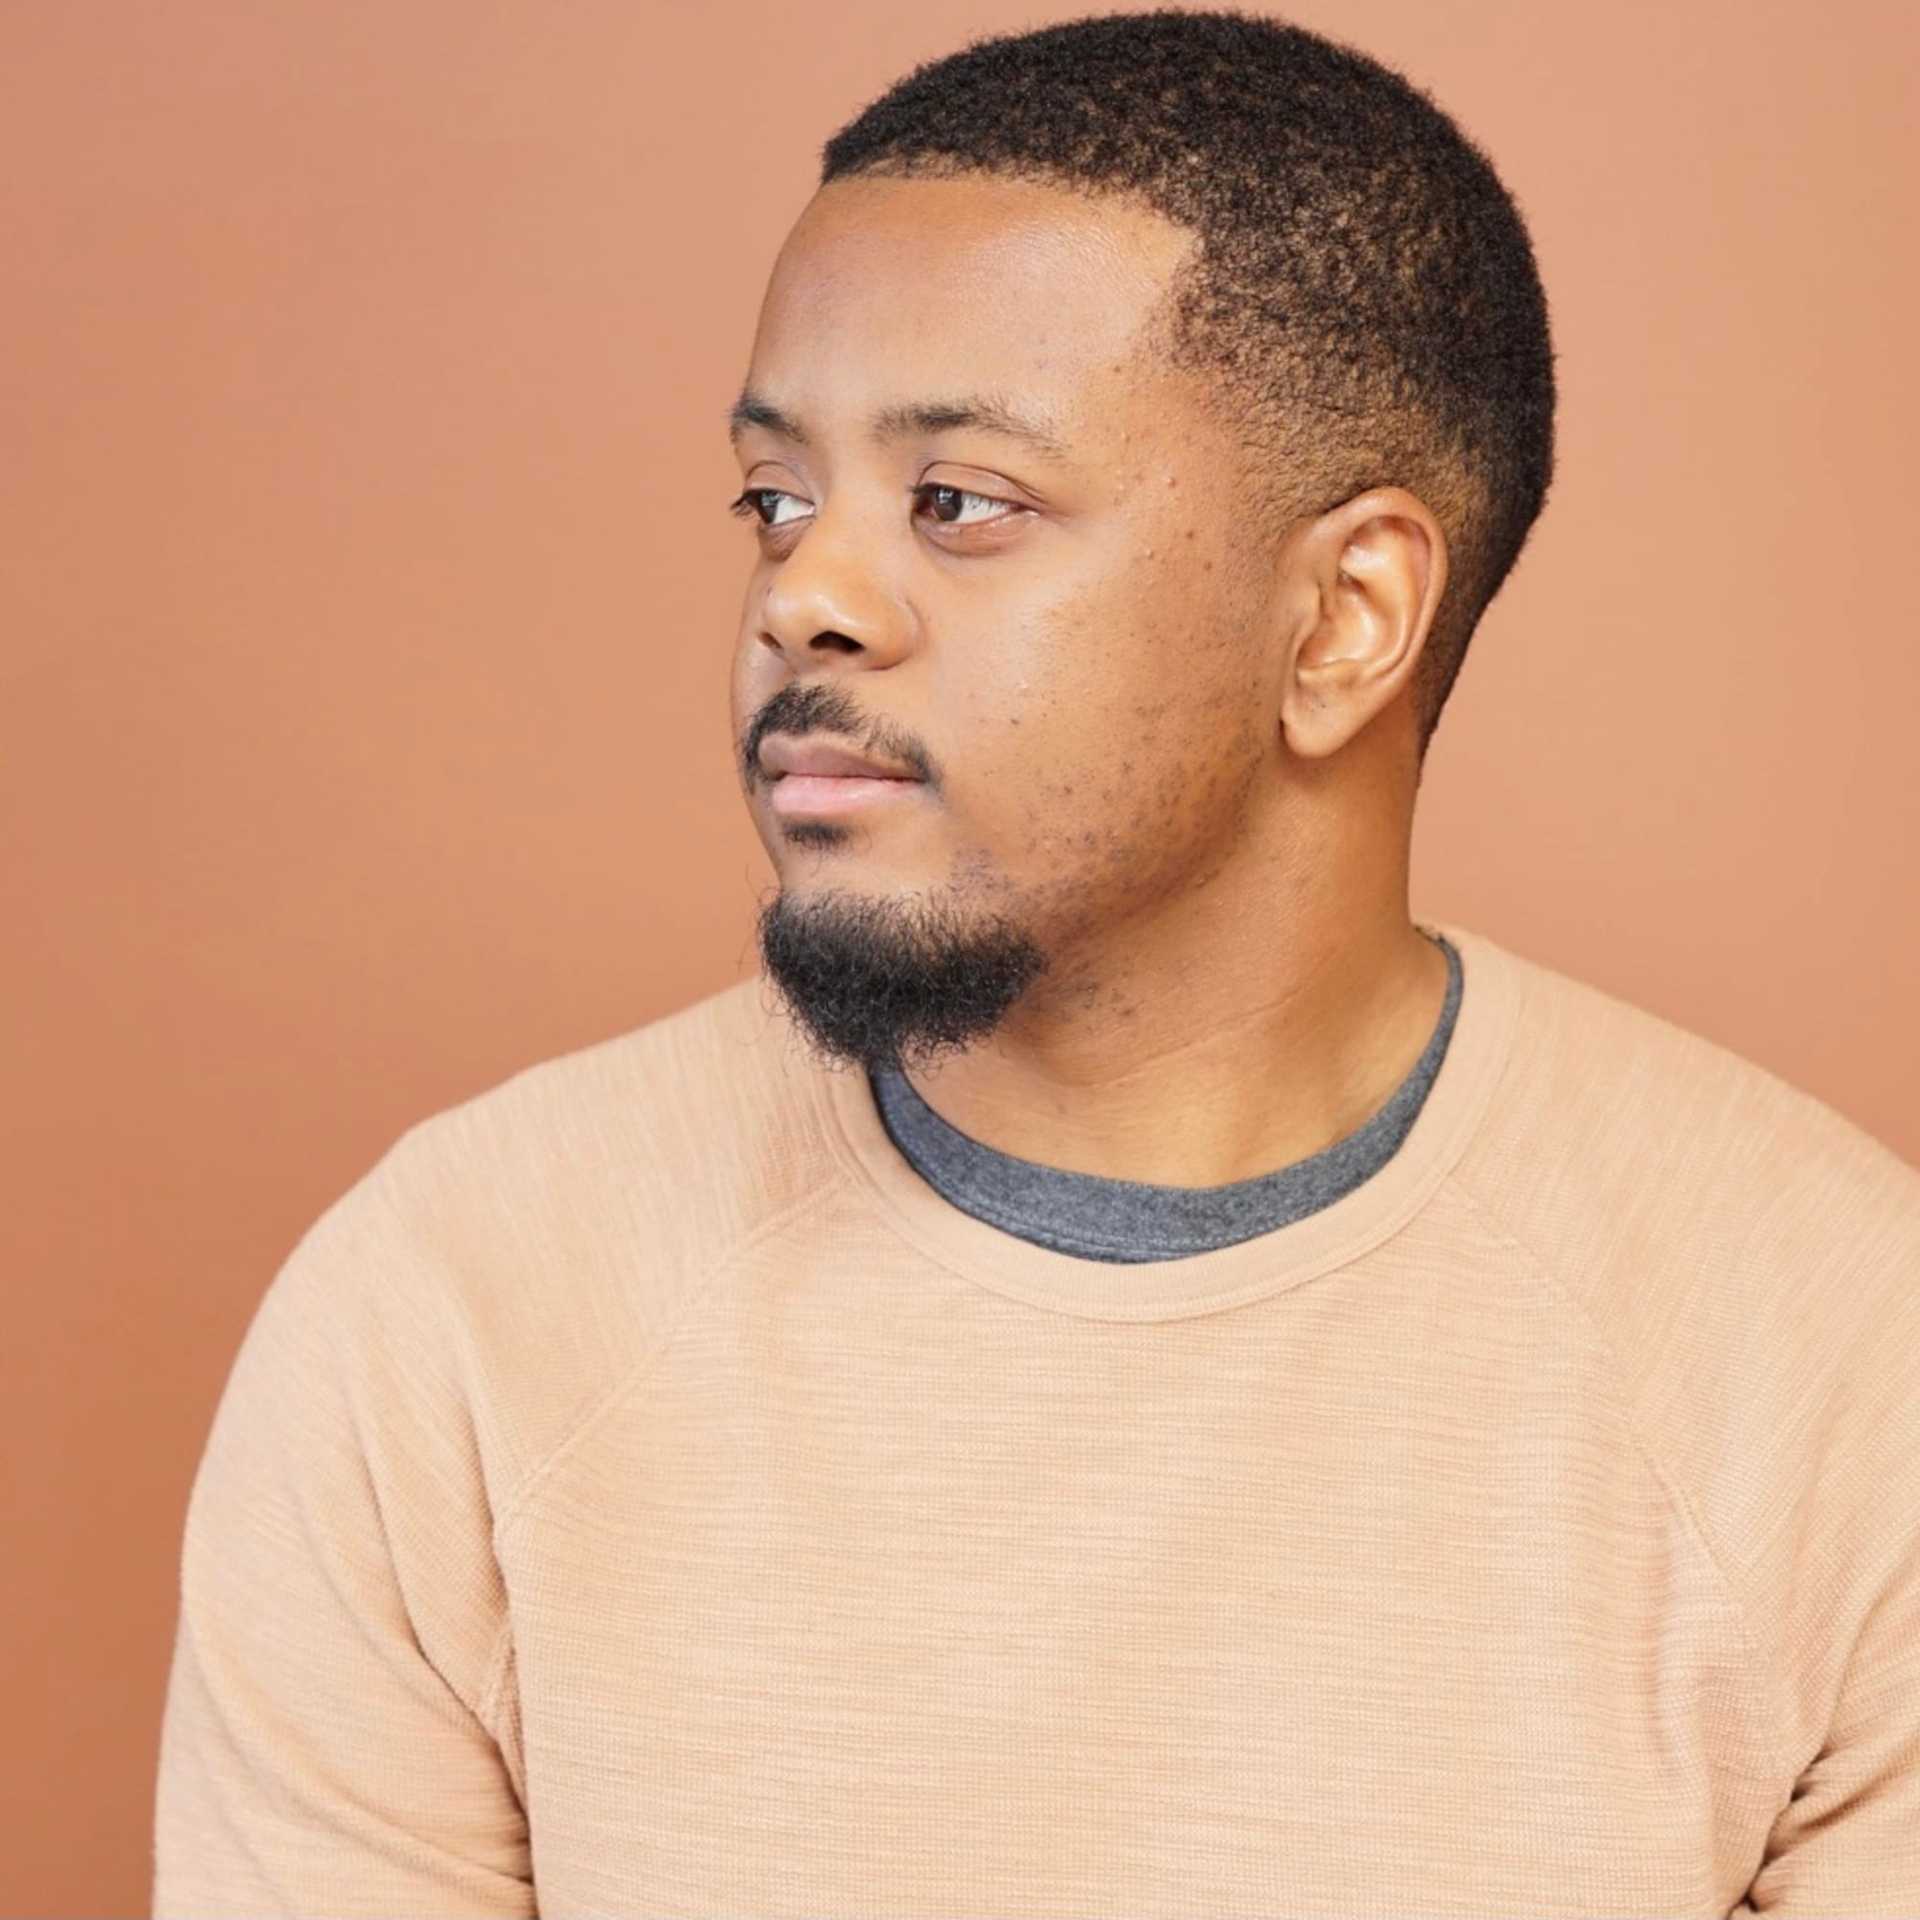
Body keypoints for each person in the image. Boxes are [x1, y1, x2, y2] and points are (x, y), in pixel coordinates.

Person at [153, 11, 1919, 1916]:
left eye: (959, 501)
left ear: (1344, 619)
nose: (800, 596)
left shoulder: (1835, 1360)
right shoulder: (448, 1317)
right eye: (774, 497)